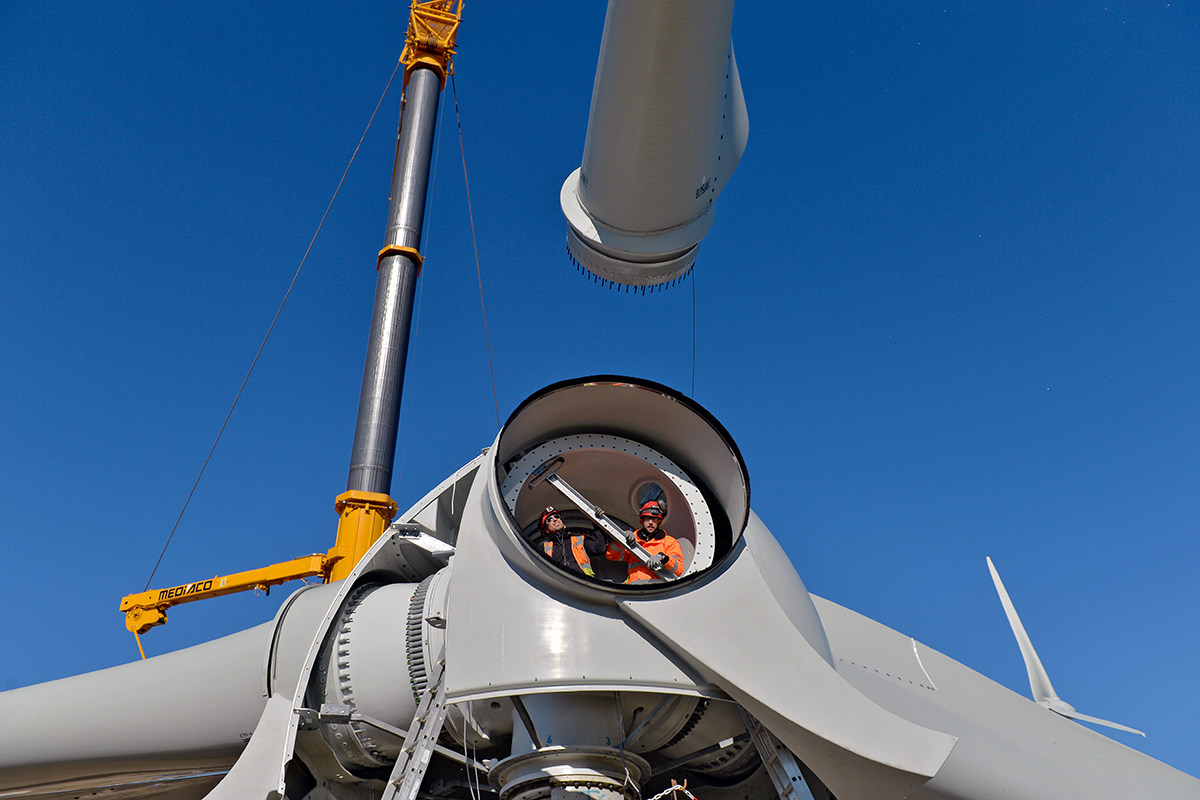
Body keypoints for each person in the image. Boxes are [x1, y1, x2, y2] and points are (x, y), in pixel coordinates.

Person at [606, 500, 685, 583]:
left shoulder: (670, 542)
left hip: (658, 591)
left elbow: (679, 570)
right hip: (633, 591)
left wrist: (663, 558)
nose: (651, 522)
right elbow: (610, 555)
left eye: (654, 519)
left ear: (660, 522)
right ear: (641, 521)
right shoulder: (632, 540)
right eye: (647, 519)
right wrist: (622, 539)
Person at [531, 506, 607, 578]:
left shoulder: (579, 540)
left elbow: (599, 549)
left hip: (583, 582)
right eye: (549, 520)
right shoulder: (544, 548)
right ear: (546, 530)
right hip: (558, 584)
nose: (555, 519)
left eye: (557, 516)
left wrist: (598, 523)